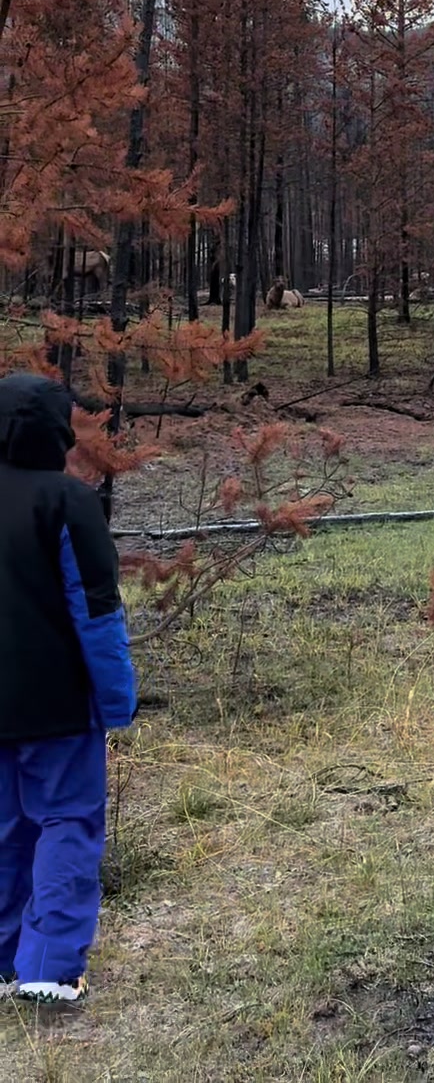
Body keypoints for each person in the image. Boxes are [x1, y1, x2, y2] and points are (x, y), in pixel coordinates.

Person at [0, 371, 137, 1005]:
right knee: (66, 824)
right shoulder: (68, 501)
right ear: (58, 431)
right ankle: (48, 970)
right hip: (56, 708)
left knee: (4, 829)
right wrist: (117, 701)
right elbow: (98, 614)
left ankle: (5, 960)